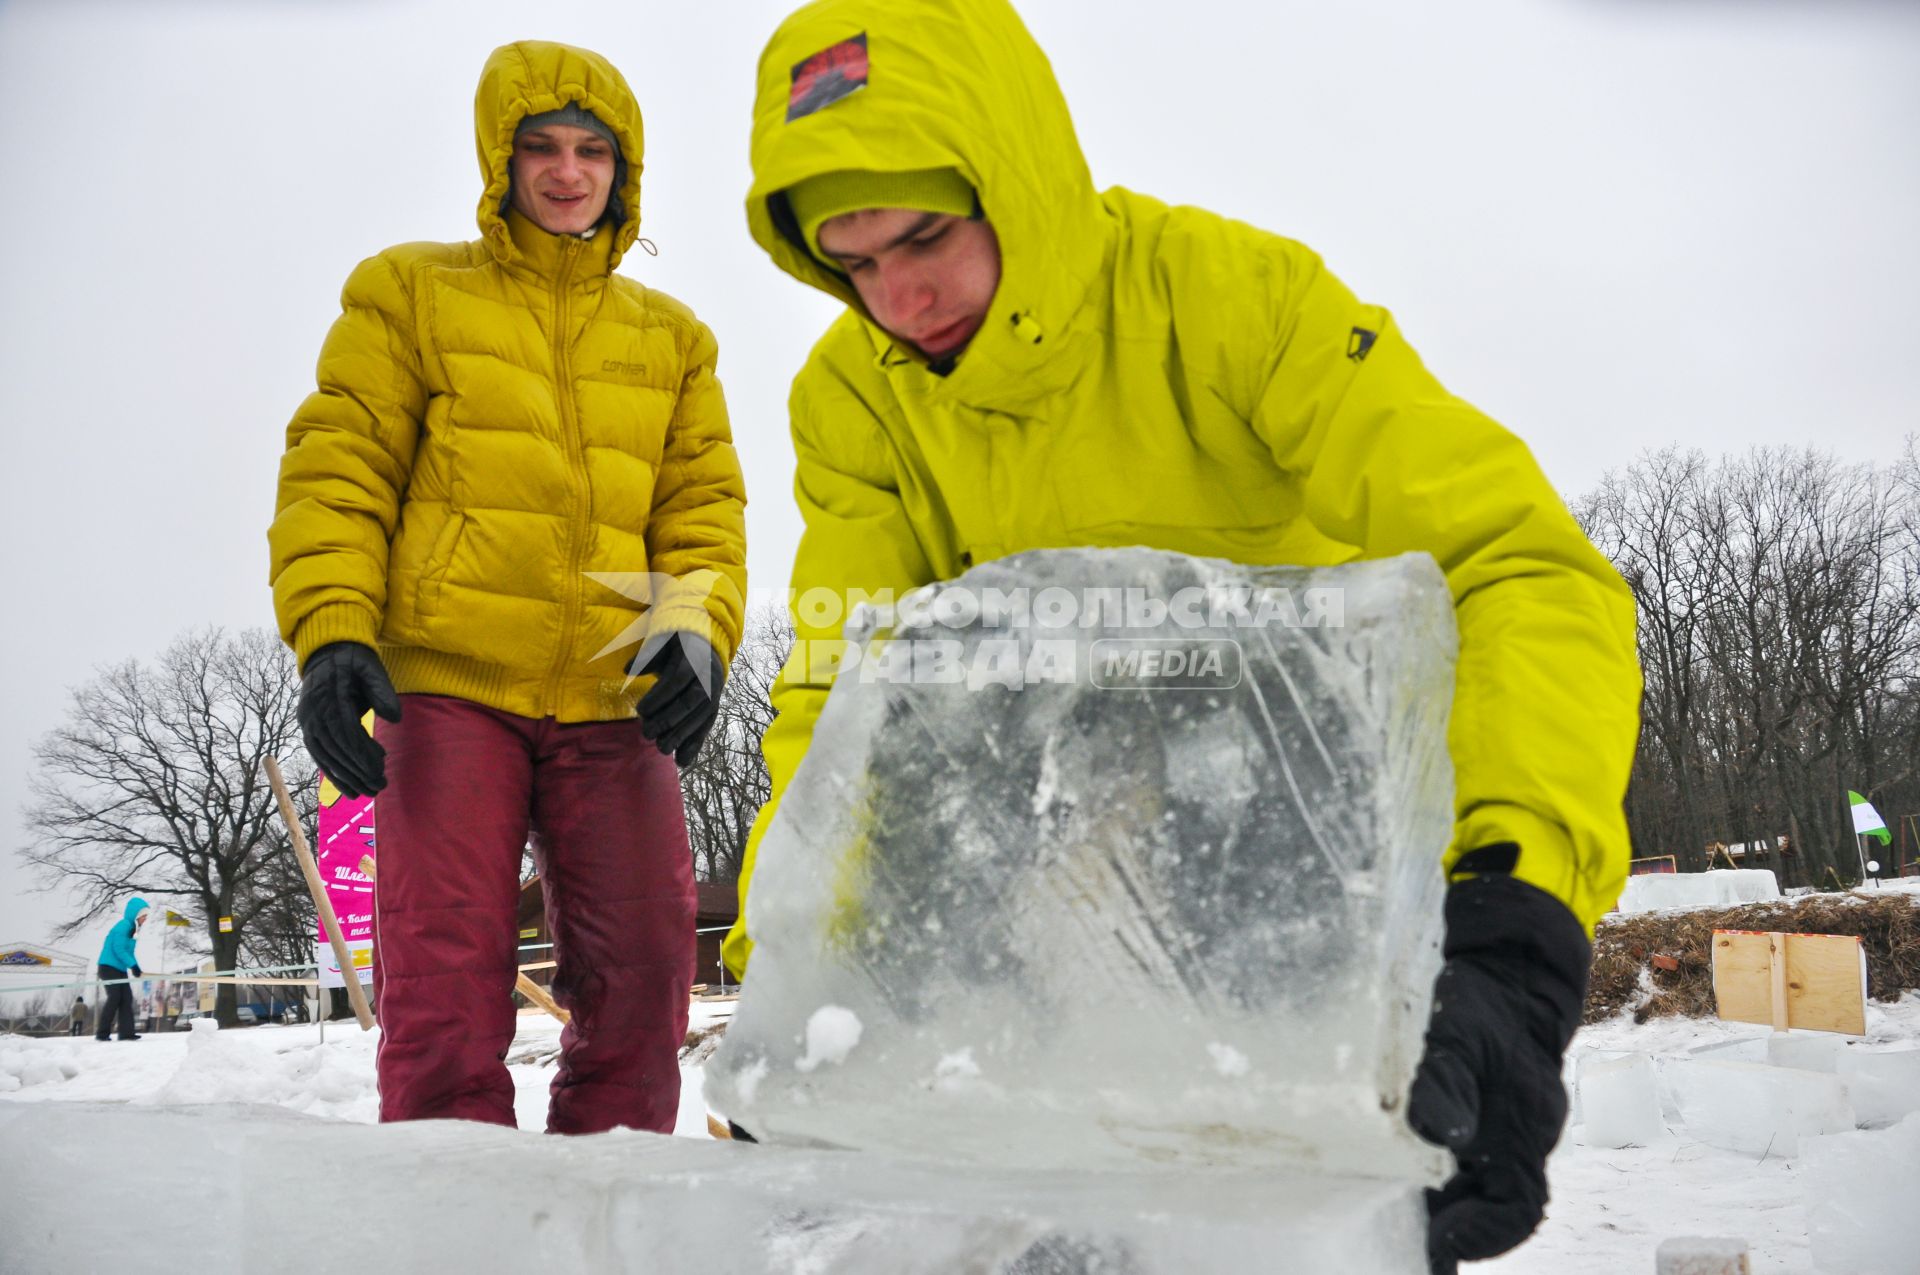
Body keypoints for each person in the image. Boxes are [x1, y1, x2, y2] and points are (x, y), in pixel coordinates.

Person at [721, 2, 1640, 1270]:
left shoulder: (1230, 302)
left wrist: (1511, 921)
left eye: (926, 233)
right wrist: (800, 967)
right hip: (1041, 903)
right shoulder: (851, 401)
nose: (899, 296)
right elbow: (844, 699)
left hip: (1298, 875)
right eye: (853, 262)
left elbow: (1525, 566)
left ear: (1018, 181)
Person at [268, 40, 747, 1135]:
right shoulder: (412, 293)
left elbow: (701, 509)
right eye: (542, 146)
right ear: (502, 156)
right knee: (445, 972)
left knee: (645, 970)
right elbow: (340, 466)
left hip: (611, 697)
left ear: (625, 171)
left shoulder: (673, 341)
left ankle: (608, 1206)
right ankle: (453, 1221)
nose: (568, 171)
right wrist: (334, 629)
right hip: (446, 688)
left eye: (592, 150)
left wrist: (692, 630)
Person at [94, 897, 148, 1042]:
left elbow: (129, 953)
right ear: (136, 914)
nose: (145, 919)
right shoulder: (123, 926)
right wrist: (133, 966)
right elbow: (118, 949)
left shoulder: (134, 930)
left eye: (146, 916)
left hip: (120, 968)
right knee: (115, 997)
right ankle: (102, 1033)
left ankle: (126, 1033)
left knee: (127, 998)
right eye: (143, 915)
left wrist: (136, 967)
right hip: (107, 967)